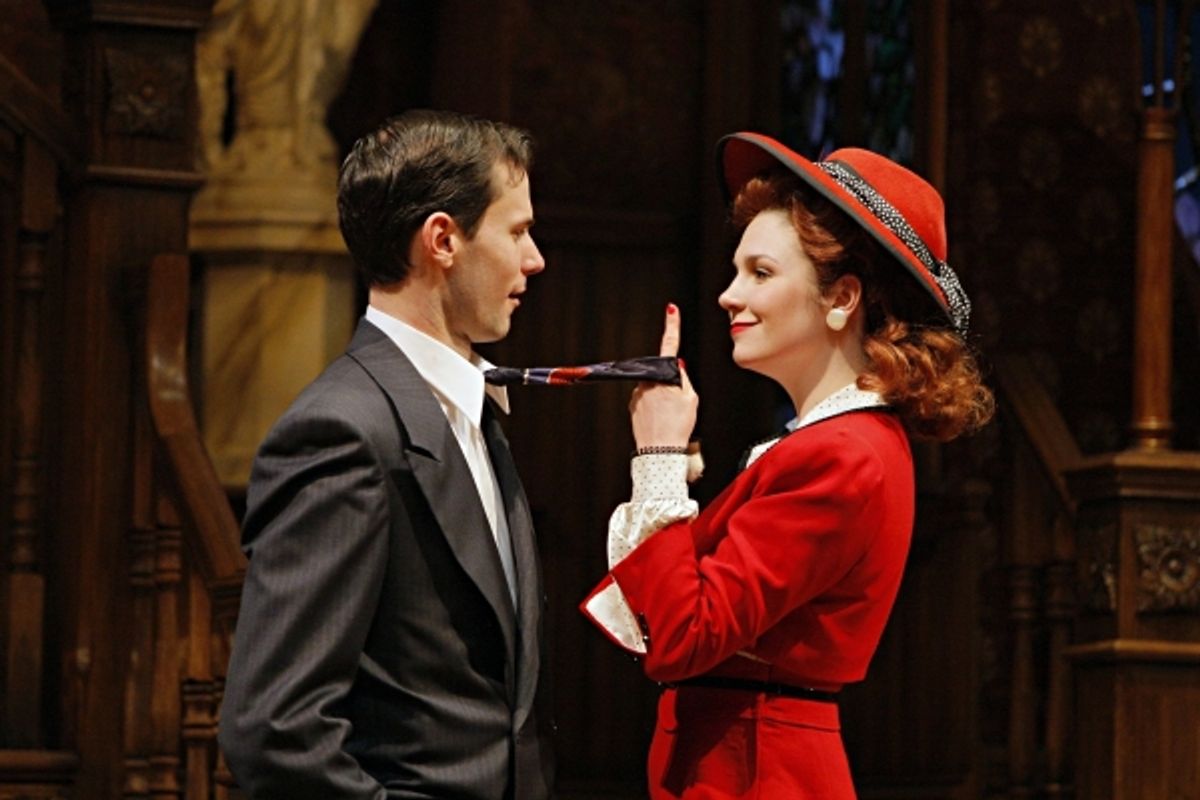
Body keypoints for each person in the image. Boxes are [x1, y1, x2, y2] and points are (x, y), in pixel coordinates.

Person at [581, 132, 994, 799]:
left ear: (841, 300)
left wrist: (657, 457)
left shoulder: (841, 457)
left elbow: (686, 634)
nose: (727, 295)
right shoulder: (829, 444)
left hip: (756, 770)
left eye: (761, 273)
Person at [219, 109, 555, 800]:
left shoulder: (469, 407)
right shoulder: (341, 430)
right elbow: (274, 728)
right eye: (517, 231)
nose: (534, 258)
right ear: (442, 240)